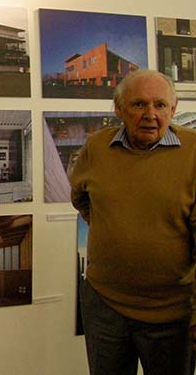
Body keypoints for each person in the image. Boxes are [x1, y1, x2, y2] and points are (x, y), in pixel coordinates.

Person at [69, 69, 196, 375]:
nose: (150, 114)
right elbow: (80, 198)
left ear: (174, 109)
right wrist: (115, 227)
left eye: (160, 105)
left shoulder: (194, 152)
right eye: (139, 104)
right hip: (104, 306)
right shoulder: (97, 147)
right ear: (119, 108)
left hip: (172, 313)